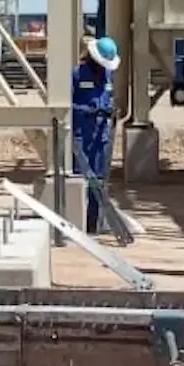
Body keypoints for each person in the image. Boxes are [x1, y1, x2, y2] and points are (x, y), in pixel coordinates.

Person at [71, 35, 120, 233]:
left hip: (101, 137)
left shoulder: (108, 76)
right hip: (82, 136)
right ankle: (77, 223)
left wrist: (109, 110)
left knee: (98, 182)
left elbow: (108, 98)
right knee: (80, 180)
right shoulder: (76, 75)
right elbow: (67, 107)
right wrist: (85, 110)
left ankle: (93, 223)